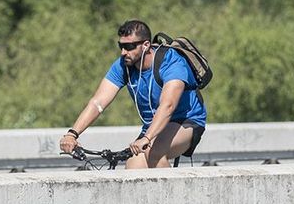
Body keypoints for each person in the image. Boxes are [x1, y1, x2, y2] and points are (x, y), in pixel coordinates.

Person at [59, 20, 206, 168]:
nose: (123, 52)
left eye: (129, 47)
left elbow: (168, 105)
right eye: (121, 46)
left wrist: (147, 138)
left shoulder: (171, 62)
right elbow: (98, 102)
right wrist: (72, 134)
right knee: (133, 167)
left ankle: (174, 191)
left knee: (154, 151)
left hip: (186, 121)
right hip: (152, 128)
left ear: (146, 45)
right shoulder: (124, 66)